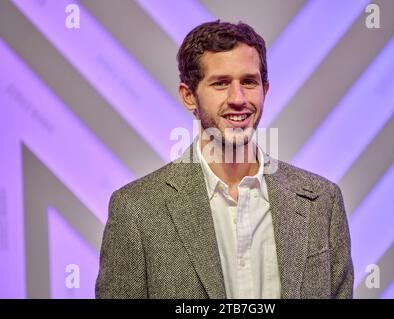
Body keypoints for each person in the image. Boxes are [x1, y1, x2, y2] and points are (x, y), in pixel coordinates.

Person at [95, 20, 354, 299]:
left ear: (265, 90)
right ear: (189, 96)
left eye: (248, 82)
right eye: (220, 83)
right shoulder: (136, 210)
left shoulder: (322, 202)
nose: (238, 98)